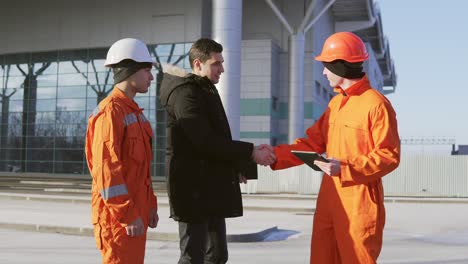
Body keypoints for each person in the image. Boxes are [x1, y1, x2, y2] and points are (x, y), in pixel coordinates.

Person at [269, 32, 401, 263]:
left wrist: (345, 168)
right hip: (329, 199)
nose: (323, 72)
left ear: (341, 66)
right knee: (322, 258)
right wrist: (272, 156)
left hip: (359, 201)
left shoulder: (377, 104)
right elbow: (310, 144)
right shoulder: (336, 104)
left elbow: (389, 155)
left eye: (326, 66)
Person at [159, 38, 275, 264]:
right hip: (192, 191)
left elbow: (217, 139)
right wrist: (250, 152)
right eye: (216, 63)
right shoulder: (185, 94)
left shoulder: (204, 90)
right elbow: (204, 141)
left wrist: (239, 165)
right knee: (193, 258)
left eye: (221, 62)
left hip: (209, 188)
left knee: (217, 255)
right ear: (197, 64)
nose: (222, 68)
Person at [85, 38, 159, 264]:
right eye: (147, 70)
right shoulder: (111, 113)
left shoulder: (136, 114)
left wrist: (151, 205)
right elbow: (107, 174)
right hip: (119, 221)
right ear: (130, 70)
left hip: (135, 216)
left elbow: (140, 171)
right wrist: (127, 215)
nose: (151, 77)